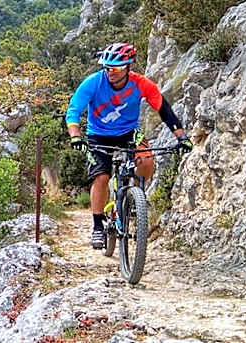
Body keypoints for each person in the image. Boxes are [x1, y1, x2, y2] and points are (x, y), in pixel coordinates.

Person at [65, 42, 193, 249]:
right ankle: (98, 226)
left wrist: (182, 137)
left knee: (147, 161)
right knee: (101, 176)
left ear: (128, 67)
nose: (110, 72)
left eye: (116, 68)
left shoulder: (141, 83)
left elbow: (164, 109)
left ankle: (134, 198)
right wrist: (75, 136)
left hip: (129, 132)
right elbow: (73, 111)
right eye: (107, 68)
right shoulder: (93, 83)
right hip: (99, 134)